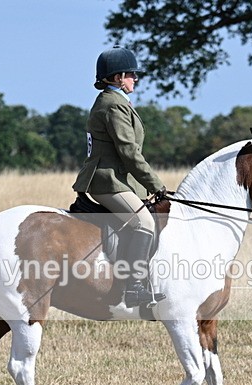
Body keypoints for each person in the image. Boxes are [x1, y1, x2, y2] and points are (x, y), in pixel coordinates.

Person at [72, 46, 167, 308]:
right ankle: (135, 287)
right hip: (107, 181)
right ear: (116, 77)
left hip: (117, 180)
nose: (135, 78)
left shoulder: (116, 102)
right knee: (144, 223)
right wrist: (156, 185)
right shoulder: (113, 106)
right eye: (131, 74)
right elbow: (129, 153)